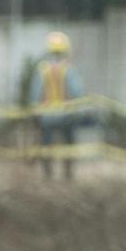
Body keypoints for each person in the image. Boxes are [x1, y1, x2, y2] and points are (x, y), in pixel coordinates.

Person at [25, 30, 87, 181]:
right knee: (69, 145)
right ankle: (68, 174)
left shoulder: (42, 69)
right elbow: (78, 93)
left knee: (46, 147)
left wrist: (35, 114)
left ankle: (48, 176)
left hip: (46, 116)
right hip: (66, 115)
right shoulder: (68, 69)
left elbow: (34, 94)